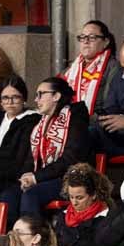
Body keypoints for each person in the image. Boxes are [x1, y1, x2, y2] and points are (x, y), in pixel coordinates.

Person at [17, 77, 92, 219]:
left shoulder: (75, 118)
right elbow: (30, 158)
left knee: (31, 194)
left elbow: (70, 159)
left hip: (70, 179)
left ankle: (32, 238)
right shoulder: (41, 123)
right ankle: (14, 237)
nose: (36, 100)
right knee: (10, 194)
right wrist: (26, 177)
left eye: (41, 94)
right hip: (46, 177)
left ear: (56, 96)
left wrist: (36, 177)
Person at [54, 163, 115, 246]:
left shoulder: (106, 217)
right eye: (71, 197)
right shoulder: (63, 216)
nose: (74, 202)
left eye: (79, 198)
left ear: (93, 195)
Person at [60, 20, 118, 117]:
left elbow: (111, 105)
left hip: (97, 122)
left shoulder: (114, 68)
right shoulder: (71, 70)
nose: (86, 41)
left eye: (92, 37)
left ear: (106, 42)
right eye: (82, 37)